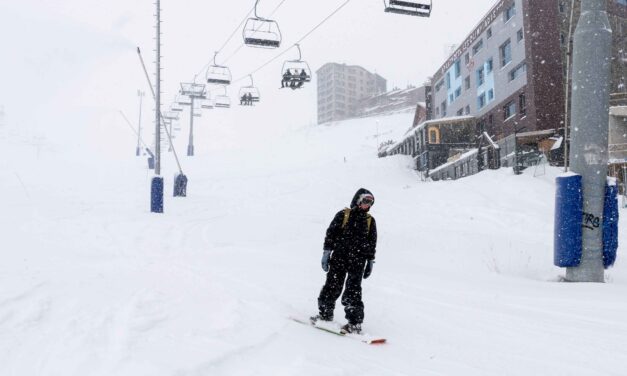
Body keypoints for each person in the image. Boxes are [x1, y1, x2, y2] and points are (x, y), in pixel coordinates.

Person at [312, 188, 378, 334]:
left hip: (358, 262)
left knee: (353, 292)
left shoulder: (370, 221)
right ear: (358, 200)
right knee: (332, 286)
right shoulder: (344, 215)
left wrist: (370, 261)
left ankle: (354, 323)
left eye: (370, 203)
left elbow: (372, 243)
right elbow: (331, 234)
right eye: (365, 201)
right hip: (339, 258)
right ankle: (325, 314)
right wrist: (327, 252)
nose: (367, 205)